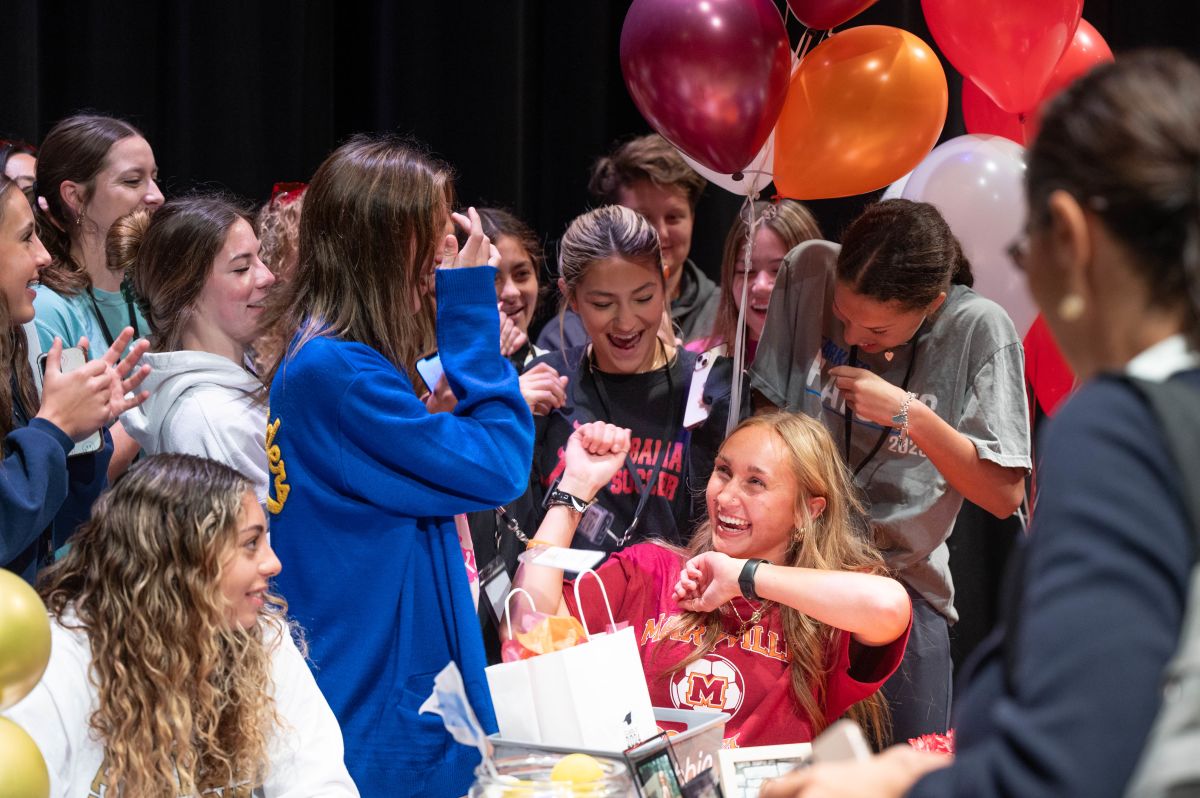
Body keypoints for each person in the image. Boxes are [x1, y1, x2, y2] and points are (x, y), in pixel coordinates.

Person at [758, 49, 1200, 798]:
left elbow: (1065, 762)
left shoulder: (1128, 430)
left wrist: (895, 788)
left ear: (1069, 233)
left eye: (1027, 251)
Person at [261, 135, 533, 798]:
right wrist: (468, 306)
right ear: (384, 245)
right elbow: (500, 464)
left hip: (392, 695)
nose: (446, 252)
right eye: (434, 235)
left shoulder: (331, 358)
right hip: (384, 715)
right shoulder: (339, 374)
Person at [750, 199, 1032, 741]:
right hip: (792, 579)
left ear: (933, 304)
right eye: (844, 314)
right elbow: (769, 422)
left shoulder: (978, 328)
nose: (852, 337)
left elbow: (1003, 494)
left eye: (876, 328)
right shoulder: (808, 269)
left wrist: (911, 414)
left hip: (901, 593)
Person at [513, 414, 911, 746]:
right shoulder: (652, 569)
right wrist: (575, 488)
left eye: (755, 482)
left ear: (809, 510)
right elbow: (527, 627)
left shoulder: (822, 606)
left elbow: (889, 607)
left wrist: (745, 577)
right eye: (723, 471)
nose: (724, 496)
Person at [4, 454, 358, 796]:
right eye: (251, 543)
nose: (273, 562)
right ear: (182, 562)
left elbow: (318, 781)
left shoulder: (260, 637)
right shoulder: (61, 661)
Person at [530, 204, 733, 553]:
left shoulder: (710, 386)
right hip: (559, 602)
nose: (625, 323)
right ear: (572, 297)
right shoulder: (546, 382)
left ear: (665, 280)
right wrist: (506, 416)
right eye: (603, 303)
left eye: (644, 298)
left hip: (674, 603)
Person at [0, 175, 149, 583]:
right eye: (27, 238)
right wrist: (53, 429)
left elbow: (48, 528)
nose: (44, 256)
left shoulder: (8, 354)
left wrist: (86, 435)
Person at [110, 196, 276, 506]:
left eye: (260, 257)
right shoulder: (210, 419)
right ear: (187, 294)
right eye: (242, 268)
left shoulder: (229, 388)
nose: (268, 276)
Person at [32, 113, 165, 477]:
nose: (156, 196)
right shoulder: (48, 309)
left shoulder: (147, 292)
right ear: (74, 196)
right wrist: (167, 384)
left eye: (154, 178)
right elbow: (79, 473)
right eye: (133, 180)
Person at [538, 134, 717, 350]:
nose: (660, 234)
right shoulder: (566, 336)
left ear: (692, 218)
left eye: (673, 217)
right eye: (643, 218)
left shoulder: (726, 313)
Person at [687, 199, 822, 361]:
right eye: (746, 271)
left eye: (779, 270)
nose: (761, 286)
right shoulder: (697, 361)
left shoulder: (842, 369)